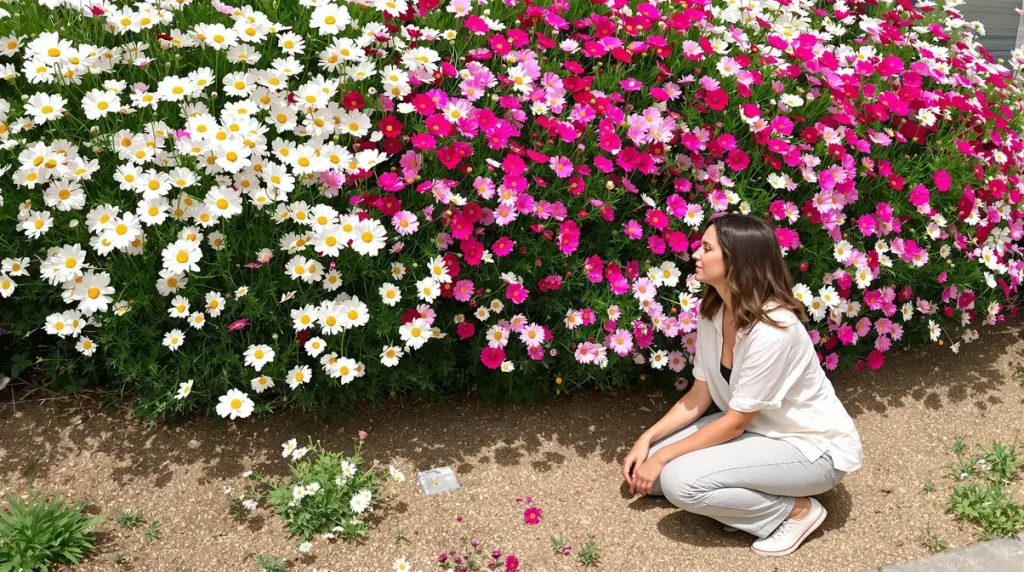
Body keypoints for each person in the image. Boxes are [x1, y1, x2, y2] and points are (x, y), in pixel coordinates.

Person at [621, 213, 863, 557]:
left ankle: (796, 511)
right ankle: (745, 495)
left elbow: (735, 422)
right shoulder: (715, 310)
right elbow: (699, 395)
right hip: (758, 431)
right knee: (653, 480)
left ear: (736, 261)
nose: (695, 254)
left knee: (678, 482)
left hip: (810, 450)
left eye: (706, 248)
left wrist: (662, 456)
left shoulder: (773, 329)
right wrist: (648, 439)